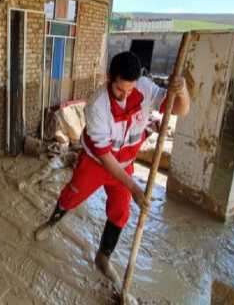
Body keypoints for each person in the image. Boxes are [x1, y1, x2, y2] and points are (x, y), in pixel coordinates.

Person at [34, 51, 190, 286]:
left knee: (121, 211)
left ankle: (103, 256)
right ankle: (52, 222)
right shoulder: (97, 106)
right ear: (109, 77)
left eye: (130, 90)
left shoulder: (145, 88)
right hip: (97, 163)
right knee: (72, 194)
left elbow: (179, 109)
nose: (124, 96)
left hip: (124, 164)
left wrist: (183, 90)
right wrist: (136, 189)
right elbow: (105, 158)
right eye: (119, 90)